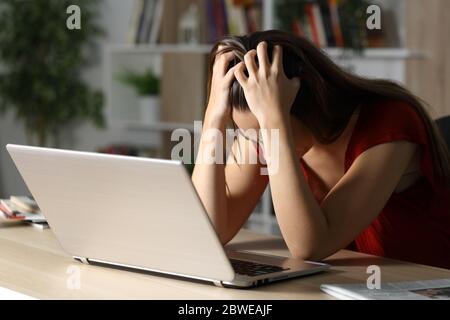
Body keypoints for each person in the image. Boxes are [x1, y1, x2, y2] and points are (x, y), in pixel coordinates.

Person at [191, 30, 450, 269]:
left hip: (417, 286)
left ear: (305, 102)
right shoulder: (264, 130)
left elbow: (309, 246)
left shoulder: (390, 122)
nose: (260, 147)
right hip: (342, 289)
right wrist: (214, 116)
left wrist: (273, 121)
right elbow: (209, 230)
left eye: (266, 131)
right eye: (252, 136)